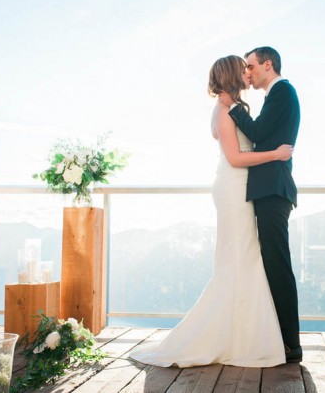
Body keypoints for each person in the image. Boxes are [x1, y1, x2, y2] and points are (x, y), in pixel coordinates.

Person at [129, 55, 293, 367]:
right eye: (243, 69)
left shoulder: (236, 110)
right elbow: (235, 158)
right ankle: (227, 336)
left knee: (246, 256)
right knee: (237, 258)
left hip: (244, 188)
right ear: (233, 75)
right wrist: (276, 154)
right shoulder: (222, 112)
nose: (248, 73)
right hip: (234, 189)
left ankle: (243, 334)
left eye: (250, 67)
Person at [219, 46, 302, 362]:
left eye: (251, 66)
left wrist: (232, 108)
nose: (247, 73)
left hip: (273, 189)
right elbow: (264, 137)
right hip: (269, 188)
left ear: (269, 65)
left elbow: (256, 132)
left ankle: (291, 344)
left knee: (277, 263)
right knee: (271, 261)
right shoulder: (277, 95)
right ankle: (279, 338)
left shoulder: (283, 91)